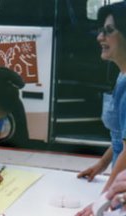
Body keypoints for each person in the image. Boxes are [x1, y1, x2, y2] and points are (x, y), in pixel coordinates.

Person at [76, 2, 126, 216]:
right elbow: (121, 137)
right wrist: (102, 164)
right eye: (100, 31)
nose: (100, 38)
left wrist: (99, 203)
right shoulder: (122, 75)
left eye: (109, 31)